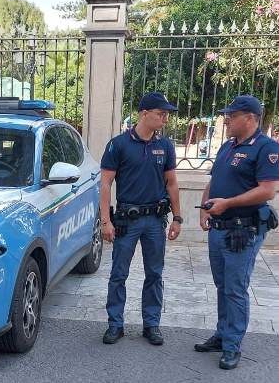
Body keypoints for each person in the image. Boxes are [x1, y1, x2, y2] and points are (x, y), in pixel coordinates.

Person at [194, 95, 279, 370]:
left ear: (251, 118)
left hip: (243, 230)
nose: (226, 119)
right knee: (222, 286)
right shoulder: (228, 146)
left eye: (232, 115)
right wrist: (205, 209)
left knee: (235, 288)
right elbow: (214, 180)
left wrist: (227, 204)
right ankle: (222, 335)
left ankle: (232, 345)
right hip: (218, 228)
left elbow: (268, 190)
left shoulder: (265, 148)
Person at [100, 92, 182, 346]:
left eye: (166, 114)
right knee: (118, 274)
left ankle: (152, 324)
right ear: (144, 113)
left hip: (155, 221)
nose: (165, 119)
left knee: (155, 274)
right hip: (127, 220)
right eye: (161, 114)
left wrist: (177, 217)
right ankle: (115, 324)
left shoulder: (165, 146)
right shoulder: (119, 144)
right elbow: (105, 183)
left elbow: (172, 183)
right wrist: (105, 221)